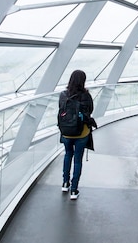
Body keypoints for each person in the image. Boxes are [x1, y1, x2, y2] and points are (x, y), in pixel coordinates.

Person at [59, 69, 95, 200]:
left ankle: (65, 183)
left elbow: (61, 111)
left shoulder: (63, 94)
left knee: (68, 155)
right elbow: (90, 111)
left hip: (66, 132)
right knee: (78, 159)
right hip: (81, 132)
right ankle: (74, 190)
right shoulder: (86, 96)